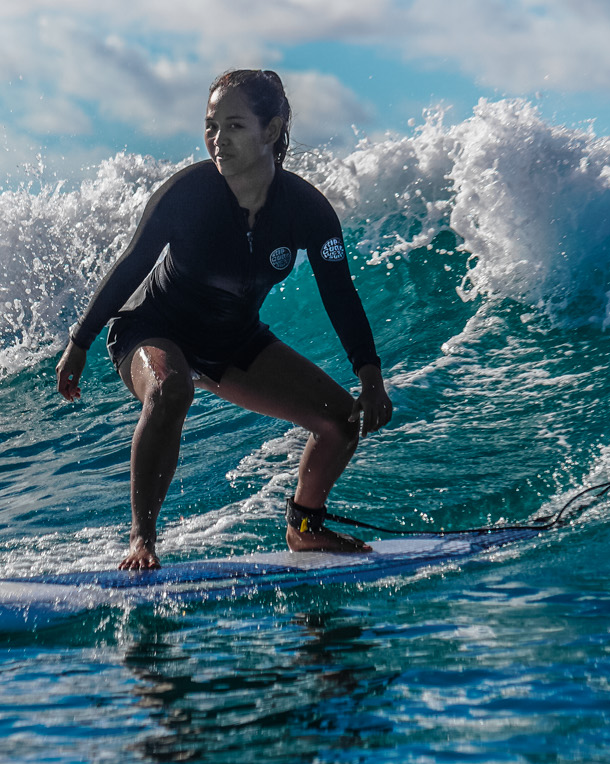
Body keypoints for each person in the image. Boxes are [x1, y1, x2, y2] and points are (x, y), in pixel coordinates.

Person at [55, 70, 393, 570]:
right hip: (151, 328)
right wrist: (80, 341)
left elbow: (339, 294)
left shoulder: (308, 211)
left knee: (342, 423)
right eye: (211, 125)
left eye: (234, 126)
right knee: (171, 390)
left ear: (272, 130)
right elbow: (132, 263)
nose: (217, 139)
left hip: (231, 338)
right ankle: (142, 541)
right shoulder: (188, 193)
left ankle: (305, 528)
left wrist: (370, 376)